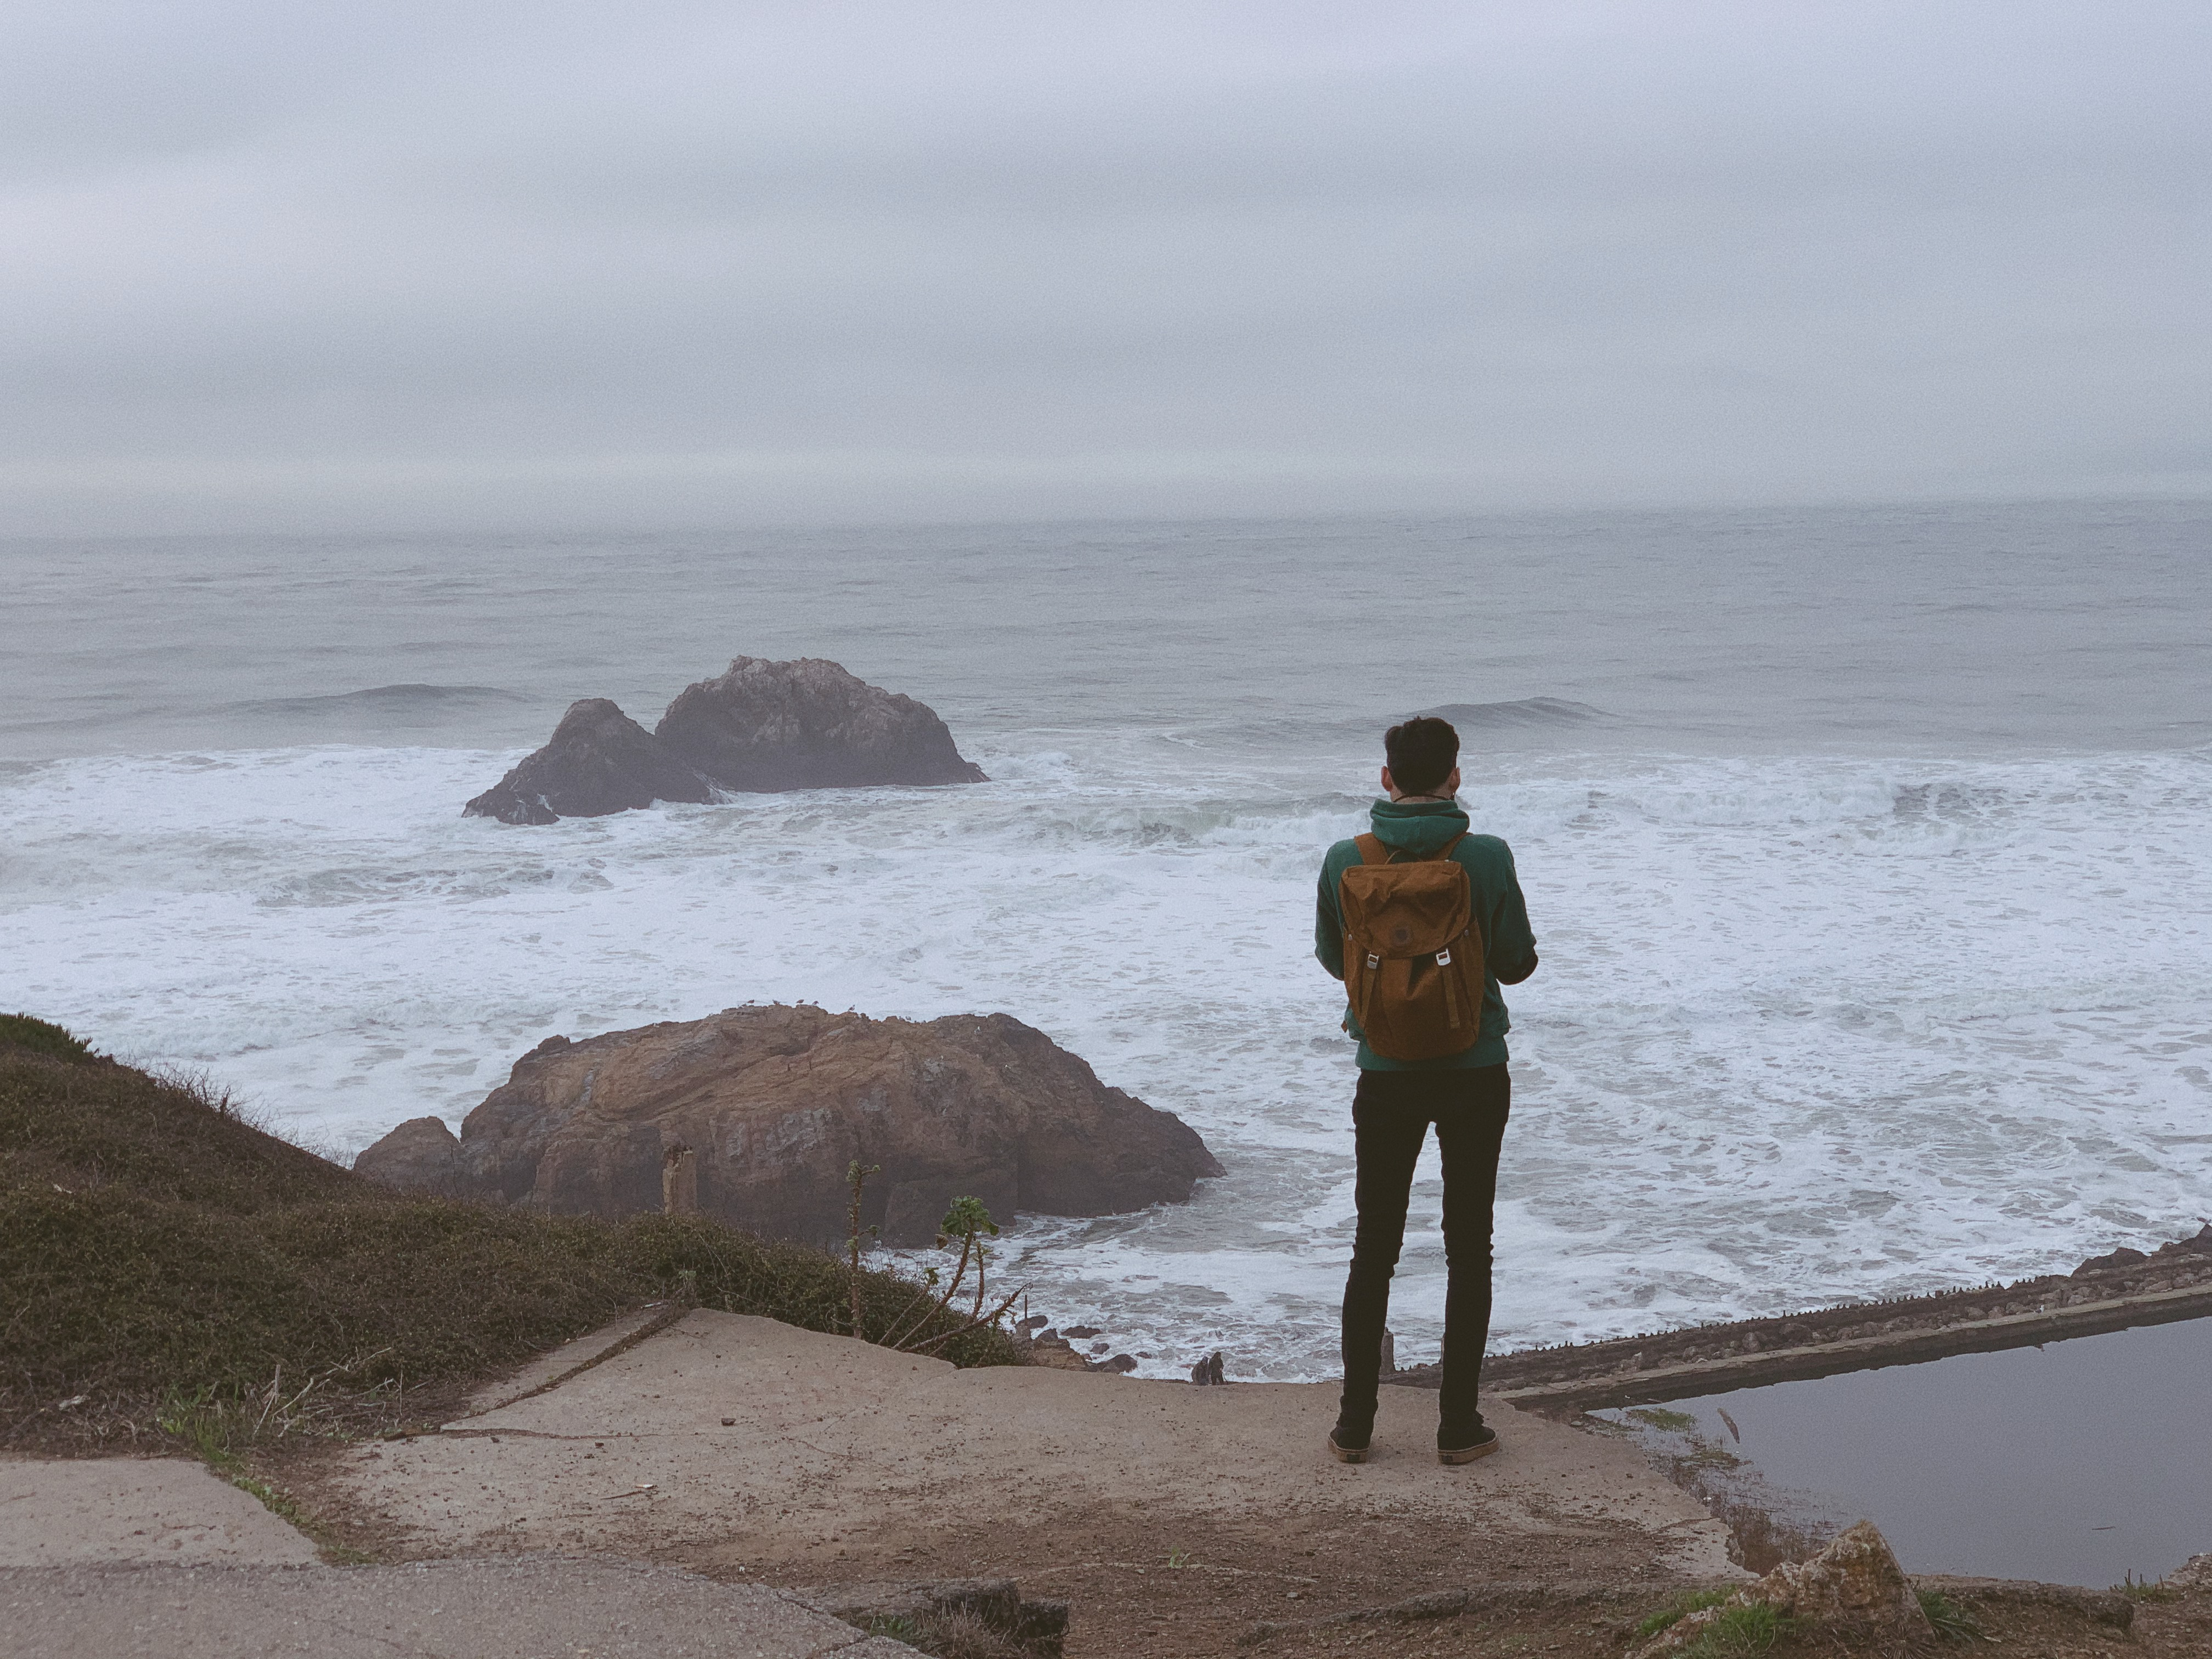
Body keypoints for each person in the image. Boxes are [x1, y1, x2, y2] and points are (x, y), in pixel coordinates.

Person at [1313, 714, 1538, 1465]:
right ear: (1455, 776)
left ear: (1386, 780)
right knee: (1469, 1247)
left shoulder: (1348, 859)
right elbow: (1514, 964)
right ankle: (1457, 1426)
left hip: (1384, 1074)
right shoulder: (1486, 857)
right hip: (1475, 1070)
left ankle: (1354, 1425)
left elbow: (1330, 957)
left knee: (1373, 1246)